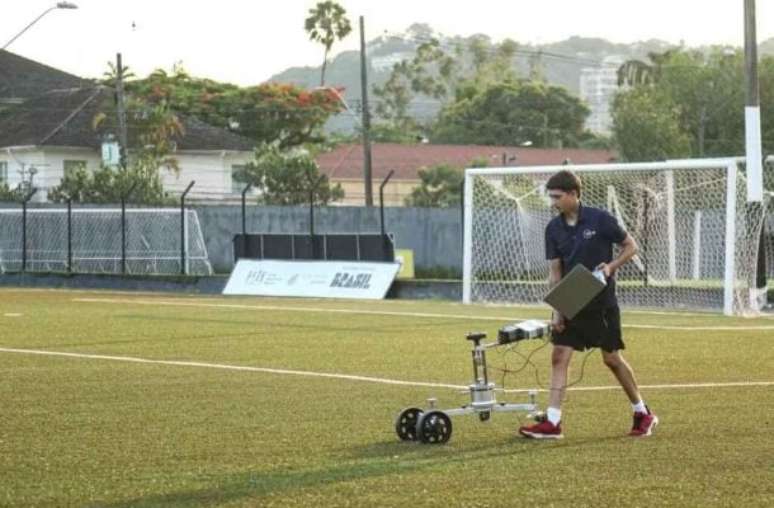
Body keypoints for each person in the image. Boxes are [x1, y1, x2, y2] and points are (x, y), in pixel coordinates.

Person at [518, 170, 658, 439]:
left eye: (557, 197)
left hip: (601, 302)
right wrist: (557, 310)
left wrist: (611, 266)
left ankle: (643, 413)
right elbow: (555, 272)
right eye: (551, 197)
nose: (553, 202)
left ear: (573, 194)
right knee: (559, 355)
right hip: (571, 299)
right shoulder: (553, 228)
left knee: (612, 359)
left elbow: (631, 247)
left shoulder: (600, 219)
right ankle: (553, 423)